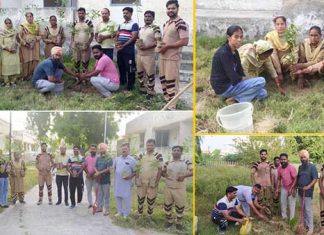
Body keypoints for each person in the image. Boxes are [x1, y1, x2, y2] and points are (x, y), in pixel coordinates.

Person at [210, 25, 267, 105]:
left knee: (263, 93)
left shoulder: (235, 52)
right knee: (261, 81)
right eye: (236, 37)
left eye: (241, 37)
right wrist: (245, 79)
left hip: (232, 84)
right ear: (228, 37)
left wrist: (245, 79)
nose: (239, 40)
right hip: (224, 87)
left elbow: (240, 70)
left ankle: (234, 98)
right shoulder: (224, 53)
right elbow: (233, 77)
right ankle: (237, 99)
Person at [159, 0, 189, 110]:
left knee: (171, 83)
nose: (170, 10)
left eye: (173, 8)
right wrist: (161, 46)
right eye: (169, 8)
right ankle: (167, 102)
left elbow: (184, 41)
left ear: (177, 9)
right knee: (163, 81)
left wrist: (167, 47)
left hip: (173, 58)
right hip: (163, 57)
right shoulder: (166, 23)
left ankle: (172, 107)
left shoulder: (181, 23)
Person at [162, 146, 193, 231]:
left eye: (178, 150)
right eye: (174, 150)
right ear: (172, 152)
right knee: (167, 205)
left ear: (181, 152)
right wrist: (165, 175)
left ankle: (179, 223)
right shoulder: (167, 162)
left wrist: (184, 176)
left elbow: (193, 171)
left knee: (180, 206)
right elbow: (162, 172)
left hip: (180, 188)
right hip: (168, 187)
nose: (176, 152)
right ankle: (169, 221)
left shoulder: (186, 162)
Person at [265, 16, 298, 85]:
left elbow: (295, 51)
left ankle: (291, 74)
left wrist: (293, 64)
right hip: (274, 61)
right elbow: (273, 53)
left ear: (285, 24)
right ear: (275, 25)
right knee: (269, 57)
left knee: (292, 57)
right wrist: (279, 72)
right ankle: (276, 75)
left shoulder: (291, 34)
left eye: (282, 24)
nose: (280, 26)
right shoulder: (270, 36)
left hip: (286, 60)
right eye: (277, 24)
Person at [136, 10, 161, 98]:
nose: (147, 18)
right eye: (146, 16)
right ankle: (143, 89)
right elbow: (139, 40)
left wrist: (146, 47)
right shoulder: (141, 28)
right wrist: (138, 43)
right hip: (139, 54)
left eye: (149, 16)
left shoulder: (155, 28)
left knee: (150, 74)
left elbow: (157, 42)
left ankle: (151, 92)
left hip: (149, 55)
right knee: (140, 73)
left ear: (153, 18)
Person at [135, 139, 163, 217]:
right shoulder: (141, 155)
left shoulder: (158, 156)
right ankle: (139, 214)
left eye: (151, 145)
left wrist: (157, 182)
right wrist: (136, 179)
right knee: (140, 199)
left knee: (151, 200)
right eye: (148, 145)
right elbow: (137, 167)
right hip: (141, 181)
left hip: (152, 182)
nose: (149, 147)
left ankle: (149, 216)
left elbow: (160, 170)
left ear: (154, 146)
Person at [116, 7, 139, 92]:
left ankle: (130, 86)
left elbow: (134, 37)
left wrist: (124, 45)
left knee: (129, 68)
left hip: (128, 50)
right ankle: (122, 83)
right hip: (120, 50)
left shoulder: (134, 24)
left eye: (127, 13)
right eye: (124, 13)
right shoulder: (121, 24)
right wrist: (116, 43)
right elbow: (117, 35)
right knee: (121, 66)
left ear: (131, 14)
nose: (125, 15)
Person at [295, 149, 318, 235]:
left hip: (307, 193)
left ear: (308, 157)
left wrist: (308, 187)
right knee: (302, 209)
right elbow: (298, 178)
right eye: (301, 157)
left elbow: (315, 179)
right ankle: (304, 224)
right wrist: (296, 187)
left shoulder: (312, 167)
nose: (303, 158)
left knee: (308, 210)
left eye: (304, 157)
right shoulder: (300, 167)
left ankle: (311, 228)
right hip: (300, 192)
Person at [113, 143, 136, 218]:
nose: (123, 150)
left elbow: (135, 171)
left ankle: (126, 213)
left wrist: (129, 177)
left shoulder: (132, 160)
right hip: (118, 182)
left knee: (126, 198)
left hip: (127, 183)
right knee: (118, 197)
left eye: (125, 149)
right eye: (122, 149)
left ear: (128, 150)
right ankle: (119, 211)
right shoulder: (117, 159)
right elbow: (115, 168)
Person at [18, 12, 41, 81]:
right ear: (26, 18)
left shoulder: (36, 25)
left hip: (35, 45)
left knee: (35, 59)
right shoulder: (22, 26)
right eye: (28, 17)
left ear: (33, 17)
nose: (29, 18)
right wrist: (25, 43)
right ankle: (25, 76)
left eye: (31, 16)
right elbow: (19, 36)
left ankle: (34, 74)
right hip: (26, 46)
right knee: (27, 60)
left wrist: (36, 38)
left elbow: (40, 34)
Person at [274, 153, 297, 221]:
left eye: (284, 159)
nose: (283, 161)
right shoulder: (279, 168)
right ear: (280, 160)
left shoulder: (291, 167)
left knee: (291, 204)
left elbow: (295, 178)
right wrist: (277, 189)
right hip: (284, 187)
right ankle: (284, 217)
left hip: (292, 187)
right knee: (283, 203)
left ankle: (291, 220)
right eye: (281, 159)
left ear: (287, 160)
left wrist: (292, 188)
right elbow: (279, 179)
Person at [71, 7, 94, 73]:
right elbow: (72, 34)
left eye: (82, 13)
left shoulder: (88, 22)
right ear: (77, 14)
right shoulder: (75, 23)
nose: (81, 15)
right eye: (79, 13)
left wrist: (88, 44)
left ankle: (84, 78)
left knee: (85, 62)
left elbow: (92, 35)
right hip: (76, 45)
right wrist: (72, 43)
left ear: (85, 14)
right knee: (76, 62)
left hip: (85, 45)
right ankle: (77, 78)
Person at [94, 143, 113, 216]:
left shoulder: (109, 158)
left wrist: (99, 173)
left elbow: (108, 169)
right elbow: (95, 166)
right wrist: (97, 172)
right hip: (98, 180)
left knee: (106, 195)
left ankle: (107, 210)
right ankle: (100, 207)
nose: (101, 150)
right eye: (100, 148)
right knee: (99, 194)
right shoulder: (98, 157)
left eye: (103, 148)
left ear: (106, 148)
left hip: (105, 180)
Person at [0, 18, 20, 87]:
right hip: (6, 53)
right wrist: (8, 49)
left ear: (11, 23)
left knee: (14, 66)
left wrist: (16, 45)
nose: (8, 24)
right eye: (7, 23)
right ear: (5, 24)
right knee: (6, 67)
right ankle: (7, 82)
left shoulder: (15, 31)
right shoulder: (2, 32)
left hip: (14, 52)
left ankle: (13, 81)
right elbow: (1, 44)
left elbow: (18, 42)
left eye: (9, 23)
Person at [54, 142, 69, 206]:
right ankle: (59, 201)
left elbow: (69, 166)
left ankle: (66, 201)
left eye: (64, 149)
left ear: (65, 150)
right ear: (60, 150)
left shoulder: (68, 157)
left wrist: (64, 166)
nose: (62, 150)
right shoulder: (57, 156)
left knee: (65, 188)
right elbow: (55, 165)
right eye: (61, 149)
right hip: (58, 175)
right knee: (59, 188)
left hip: (65, 175)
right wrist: (57, 166)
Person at [84, 144, 98, 208]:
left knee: (97, 191)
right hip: (88, 177)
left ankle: (97, 203)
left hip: (95, 177)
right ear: (90, 150)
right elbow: (84, 166)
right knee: (88, 191)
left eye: (94, 149)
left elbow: (99, 167)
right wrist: (87, 173)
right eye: (91, 149)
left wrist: (94, 174)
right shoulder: (87, 158)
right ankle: (90, 203)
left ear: (96, 150)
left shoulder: (98, 158)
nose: (92, 150)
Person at [319, 163, 324, 234]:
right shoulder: (322, 169)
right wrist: (322, 191)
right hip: (323, 194)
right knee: (323, 211)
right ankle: (323, 228)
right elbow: (320, 180)